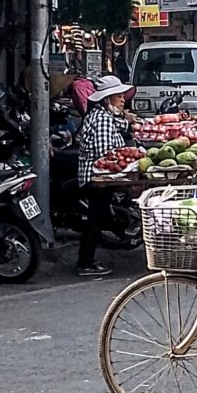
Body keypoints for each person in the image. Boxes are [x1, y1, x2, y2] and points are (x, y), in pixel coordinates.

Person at [76, 75, 136, 277]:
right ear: (106, 99)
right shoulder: (101, 120)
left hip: (100, 178)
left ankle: (87, 259)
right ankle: (85, 263)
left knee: (96, 219)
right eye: (118, 97)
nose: (123, 100)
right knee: (94, 220)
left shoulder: (105, 116)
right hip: (96, 179)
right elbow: (107, 156)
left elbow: (119, 126)